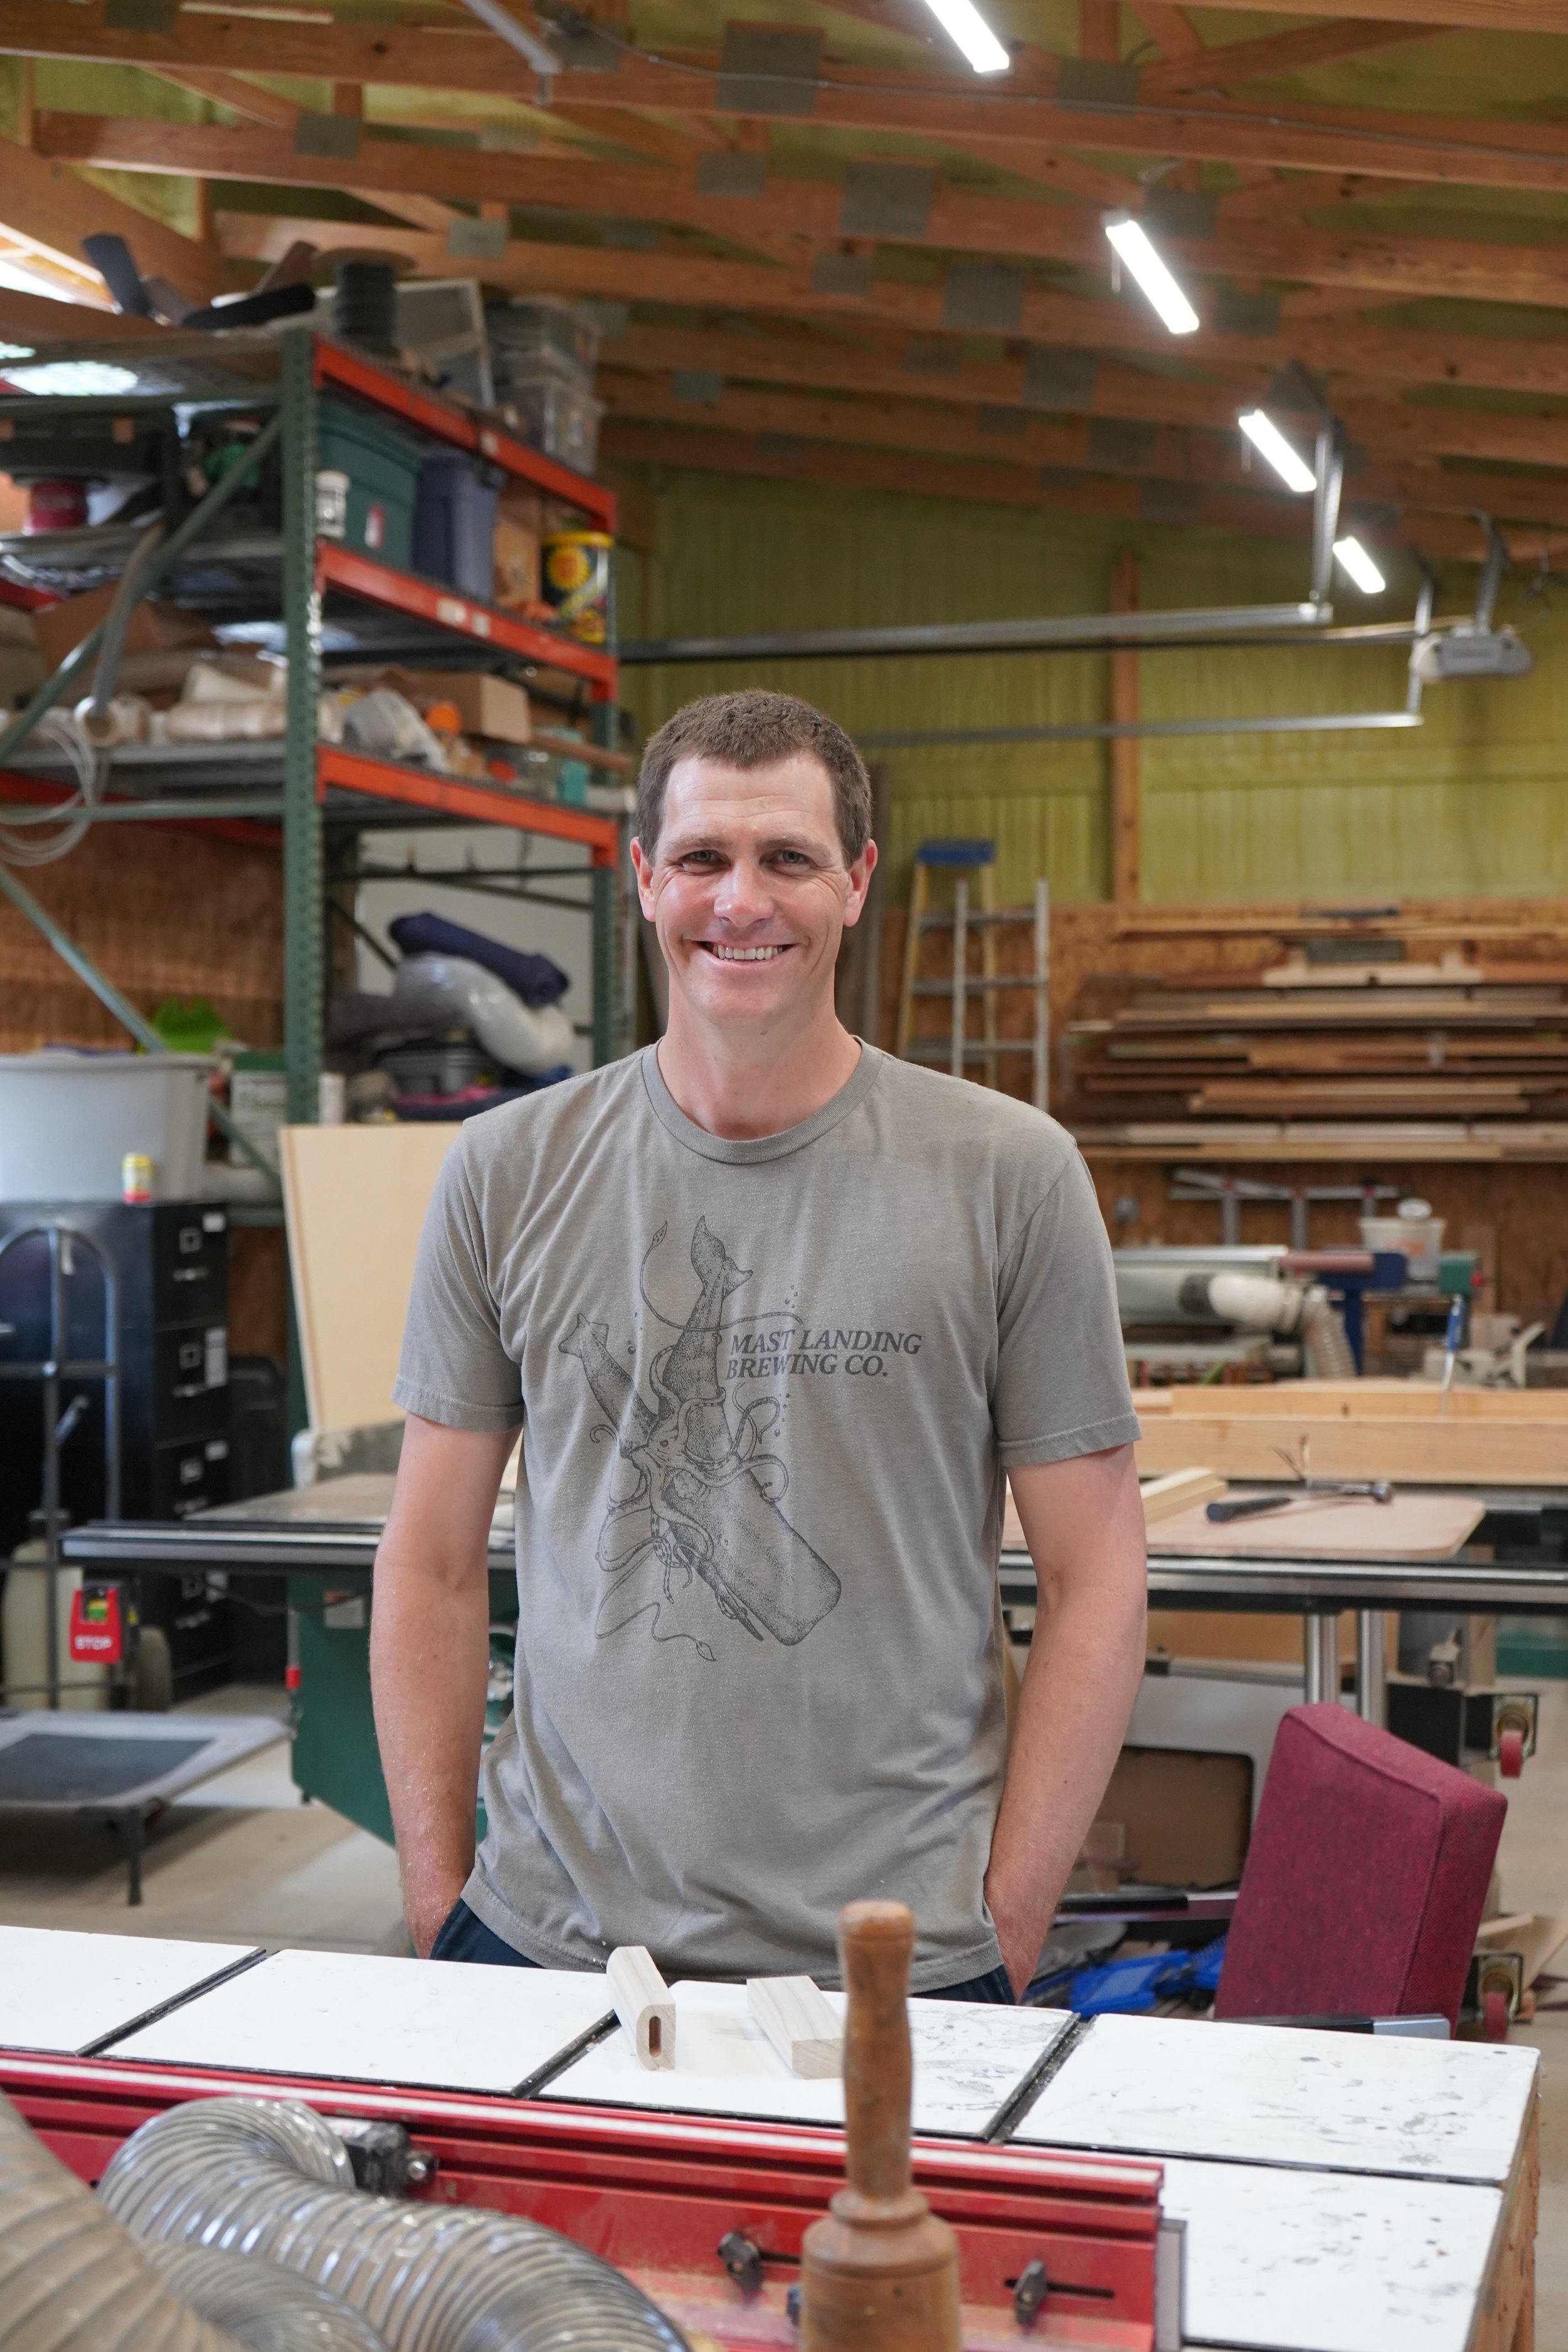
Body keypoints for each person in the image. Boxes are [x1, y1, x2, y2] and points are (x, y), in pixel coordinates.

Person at [371, 687, 1146, 2000]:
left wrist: (1006, 1927)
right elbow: (432, 1560)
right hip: (548, 1942)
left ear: (853, 881)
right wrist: (441, 1905)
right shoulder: (508, 1168)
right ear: (642, 880)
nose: (740, 902)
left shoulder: (1006, 1173)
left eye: (785, 859)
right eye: (701, 861)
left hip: (896, 1956)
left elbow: (1095, 1578)